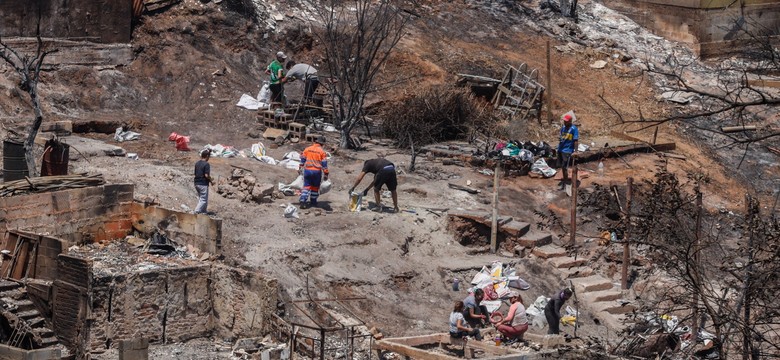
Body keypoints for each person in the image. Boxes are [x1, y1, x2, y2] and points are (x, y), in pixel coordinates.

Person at [299, 135, 329, 209]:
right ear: (322, 144)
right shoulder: (322, 152)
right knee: (315, 187)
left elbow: (303, 159)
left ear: (315, 142)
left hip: (307, 170)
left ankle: (303, 201)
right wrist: (326, 173)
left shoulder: (307, 149)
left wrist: (300, 167)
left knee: (306, 186)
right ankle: (313, 202)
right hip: (316, 172)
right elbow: (324, 164)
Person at [556, 111, 579, 190]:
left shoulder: (574, 129)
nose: (564, 122)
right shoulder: (563, 128)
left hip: (567, 150)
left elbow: (576, 140)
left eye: (566, 121)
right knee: (561, 167)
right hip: (561, 149)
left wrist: (575, 151)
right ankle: (564, 180)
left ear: (570, 121)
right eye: (564, 121)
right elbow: (562, 136)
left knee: (564, 167)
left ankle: (565, 184)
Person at [194, 149, 213, 214]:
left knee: (202, 198)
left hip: (196, 183)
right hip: (203, 183)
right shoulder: (206, 164)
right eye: (209, 157)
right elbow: (206, 175)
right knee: (203, 199)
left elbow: (195, 173)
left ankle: (203, 211)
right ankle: (196, 211)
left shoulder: (197, 163)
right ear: (207, 156)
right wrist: (211, 180)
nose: (209, 158)